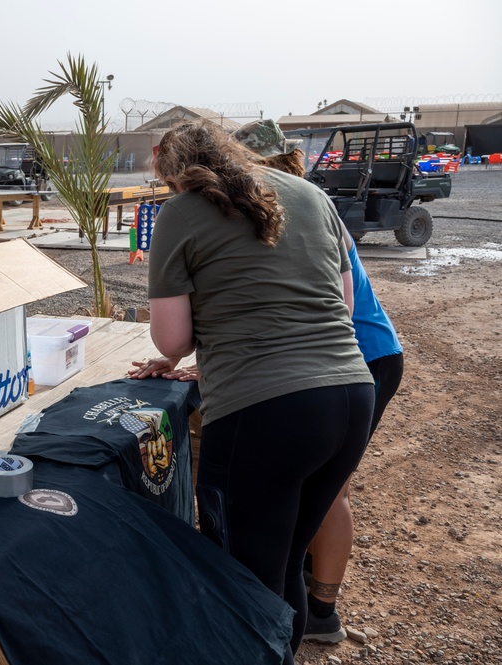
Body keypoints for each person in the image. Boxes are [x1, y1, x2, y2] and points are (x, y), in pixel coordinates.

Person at [146, 120, 375, 665]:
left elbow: (172, 337)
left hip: (265, 410)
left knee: (244, 574)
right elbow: (343, 307)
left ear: (171, 170)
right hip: (349, 395)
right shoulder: (311, 193)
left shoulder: (180, 210)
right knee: (287, 557)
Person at [303, 227, 404, 643]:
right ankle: (309, 579)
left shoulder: (312, 217)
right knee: (315, 482)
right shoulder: (301, 209)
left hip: (365, 358)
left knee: (331, 489)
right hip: (344, 362)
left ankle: (322, 615)